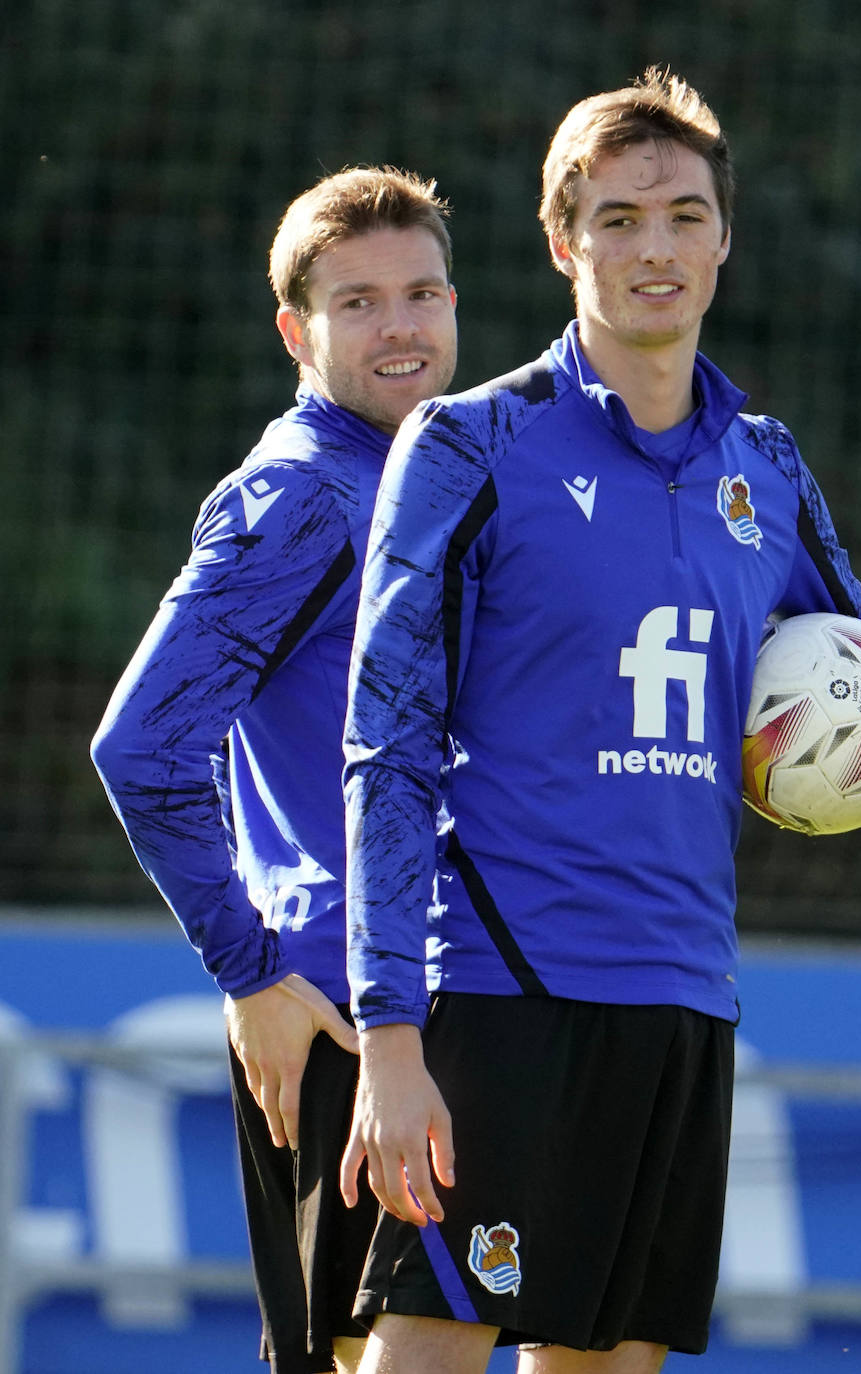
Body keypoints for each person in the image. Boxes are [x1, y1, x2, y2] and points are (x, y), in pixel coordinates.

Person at [339, 68, 861, 1374]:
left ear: (724, 238)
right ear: (563, 240)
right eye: (620, 219)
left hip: (684, 995)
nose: (656, 249)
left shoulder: (764, 460)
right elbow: (385, 742)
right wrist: (390, 1033)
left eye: (685, 215)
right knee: (431, 1348)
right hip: (505, 988)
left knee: (613, 1362)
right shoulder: (473, 445)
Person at [90, 166, 460, 1374]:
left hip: (448, 998)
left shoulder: (424, 478)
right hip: (345, 1018)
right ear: (295, 332)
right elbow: (142, 746)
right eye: (359, 303)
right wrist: (250, 972)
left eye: (422, 292)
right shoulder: (303, 496)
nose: (400, 326)